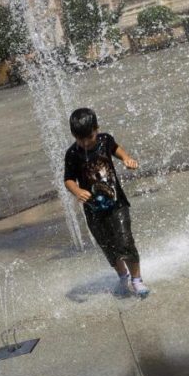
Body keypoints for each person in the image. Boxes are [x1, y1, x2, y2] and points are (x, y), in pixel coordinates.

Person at [63, 107, 150, 298]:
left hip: (117, 204)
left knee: (125, 240)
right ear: (73, 135)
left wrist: (126, 158)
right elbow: (68, 179)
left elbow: (116, 149)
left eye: (90, 137)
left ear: (97, 129)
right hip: (93, 210)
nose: (85, 143)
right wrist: (77, 190)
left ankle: (137, 280)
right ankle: (122, 276)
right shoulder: (72, 154)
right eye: (80, 139)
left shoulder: (104, 140)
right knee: (108, 245)